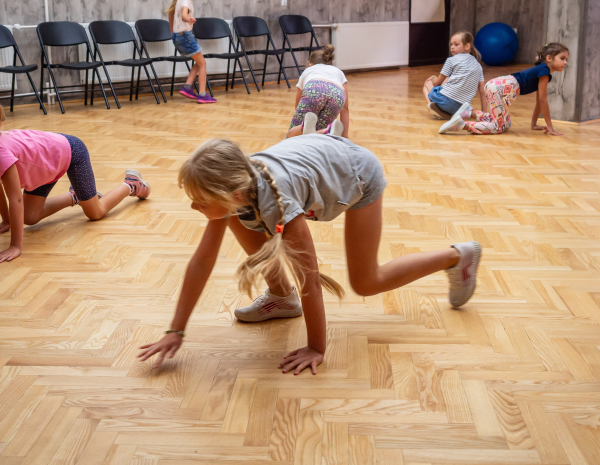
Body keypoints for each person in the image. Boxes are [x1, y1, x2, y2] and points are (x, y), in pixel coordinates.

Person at [137, 135, 482, 374]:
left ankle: (456, 257)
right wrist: (176, 330)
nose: (193, 207)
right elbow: (202, 262)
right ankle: (281, 299)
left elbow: (310, 280)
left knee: (366, 282)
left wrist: (316, 347)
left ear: (234, 193)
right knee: (235, 221)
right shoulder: (239, 188)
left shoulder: (279, 203)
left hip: (358, 176)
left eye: (200, 200)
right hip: (323, 159)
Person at [0, 108, 150, 263]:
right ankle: (74, 196)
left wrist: (15, 246)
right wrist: (7, 220)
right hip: (44, 164)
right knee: (29, 216)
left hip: (72, 152)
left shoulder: (1, 152)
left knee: (95, 213)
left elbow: (16, 199)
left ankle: (131, 184)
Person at [439, 42, 569, 136]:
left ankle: (470, 113)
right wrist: (550, 127)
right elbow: (542, 100)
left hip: (498, 86)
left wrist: (534, 124)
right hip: (499, 89)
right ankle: (462, 124)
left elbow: (539, 101)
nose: (565, 62)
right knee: (498, 127)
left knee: (506, 124)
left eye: (566, 59)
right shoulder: (544, 71)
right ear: (549, 58)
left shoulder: (542, 70)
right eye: (562, 58)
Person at [166, 0, 216, 104]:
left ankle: (187, 87)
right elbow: (184, 16)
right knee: (203, 64)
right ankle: (202, 94)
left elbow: (171, 15)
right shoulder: (186, 1)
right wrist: (189, 19)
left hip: (178, 36)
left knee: (198, 63)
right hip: (186, 36)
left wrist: (173, 32)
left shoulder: (179, 0)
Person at [286, 45, 349, 138]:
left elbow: (298, 102)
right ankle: (327, 131)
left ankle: (303, 126)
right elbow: (345, 108)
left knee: (291, 136)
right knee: (317, 136)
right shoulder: (338, 71)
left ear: (310, 64)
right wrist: (345, 136)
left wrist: (300, 120)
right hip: (337, 95)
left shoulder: (308, 70)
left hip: (314, 88)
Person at [423, 31, 485, 120]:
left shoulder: (451, 60)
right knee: (448, 78)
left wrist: (433, 78)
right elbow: (482, 91)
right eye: (451, 44)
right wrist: (484, 112)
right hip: (463, 106)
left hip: (445, 101)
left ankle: (435, 109)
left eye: (456, 44)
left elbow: (436, 83)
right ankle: (481, 115)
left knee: (427, 84)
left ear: (467, 46)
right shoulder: (478, 66)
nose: (452, 47)